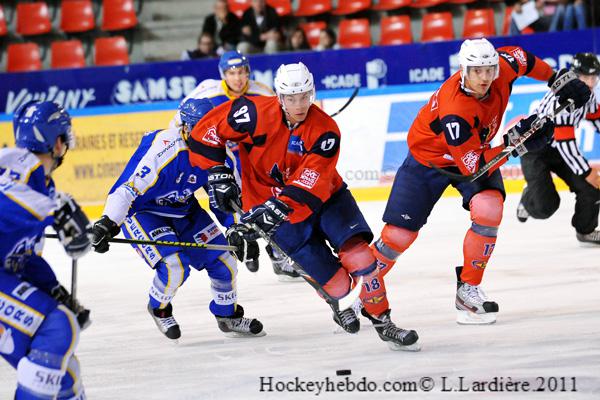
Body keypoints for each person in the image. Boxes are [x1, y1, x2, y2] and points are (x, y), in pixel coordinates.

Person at [187, 62, 420, 351]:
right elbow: (205, 132)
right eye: (291, 98)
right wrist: (216, 171)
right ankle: (337, 301)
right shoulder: (251, 113)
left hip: (325, 200)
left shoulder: (326, 131)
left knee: (361, 260)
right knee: (338, 286)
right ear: (279, 96)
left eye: (304, 96)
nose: (299, 105)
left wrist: (279, 206)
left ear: (312, 92)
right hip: (272, 210)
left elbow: (313, 179)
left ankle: (385, 323)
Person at [369, 38, 591, 325]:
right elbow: (471, 168)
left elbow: (523, 58)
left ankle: (468, 290)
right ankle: (361, 282)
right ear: (464, 70)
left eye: (489, 69)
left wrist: (556, 78)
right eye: (477, 71)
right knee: (398, 236)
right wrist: (515, 143)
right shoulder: (456, 111)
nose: (485, 77)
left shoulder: (503, 66)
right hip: (429, 161)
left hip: (474, 150)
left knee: (489, 209)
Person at [90, 98, 265, 341]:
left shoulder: (221, 155)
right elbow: (127, 190)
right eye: (198, 129)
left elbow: (226, 199)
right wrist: (108, 222)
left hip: (185, 210)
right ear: (185, 127)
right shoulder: (163, 148)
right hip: (146, 213)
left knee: (226, 262)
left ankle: (228, 316)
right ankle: (159, 308)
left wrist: (236, 226)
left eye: (210, 128)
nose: (206, 136)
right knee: (174, 268)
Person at [173, 51, 299, 281]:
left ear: (248, 73)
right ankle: (247, 240)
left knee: (270, 205)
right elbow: (180, 120)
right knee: (232, 205)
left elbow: (280, 121)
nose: (238, 78)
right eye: (232, 73)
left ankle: (278, 258)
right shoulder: (207, 92)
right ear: (223, 74)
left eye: (241, 72)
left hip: (253, 158)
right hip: (223, 158)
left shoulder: (262, 91)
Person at [0, 101, 92, 399]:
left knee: (65, 372)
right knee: (58, 327)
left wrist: (53, 290)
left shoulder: (43, 187)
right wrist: (55, 211)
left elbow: (24, 258)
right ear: (57, 141)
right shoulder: (17, 161)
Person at [517, 52, 600, 244]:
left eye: (594, 77)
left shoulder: (588, 94)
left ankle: (586, 230)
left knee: (591, 189)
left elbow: (596, 118)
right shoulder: (562, 97)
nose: (590, 82)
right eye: (585, 76)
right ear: (575, 74)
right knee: (546, 206)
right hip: (534, 149)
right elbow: (566, 142)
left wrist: (587, 176)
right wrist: (586, 171)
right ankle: (528, 199)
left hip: (557, 148)